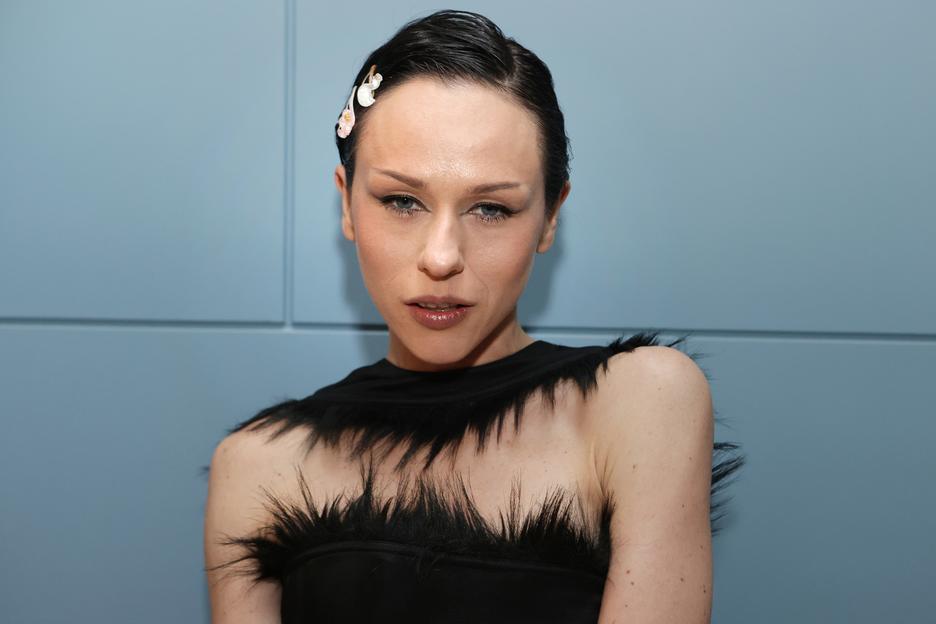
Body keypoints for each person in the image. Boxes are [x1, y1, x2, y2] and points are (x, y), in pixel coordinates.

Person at [203, 9, 745, 623]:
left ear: (550, 217)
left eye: (491, 209)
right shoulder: (256, 465)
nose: (441, 258)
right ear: (347, 205)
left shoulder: (640, 402)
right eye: (401, 201)